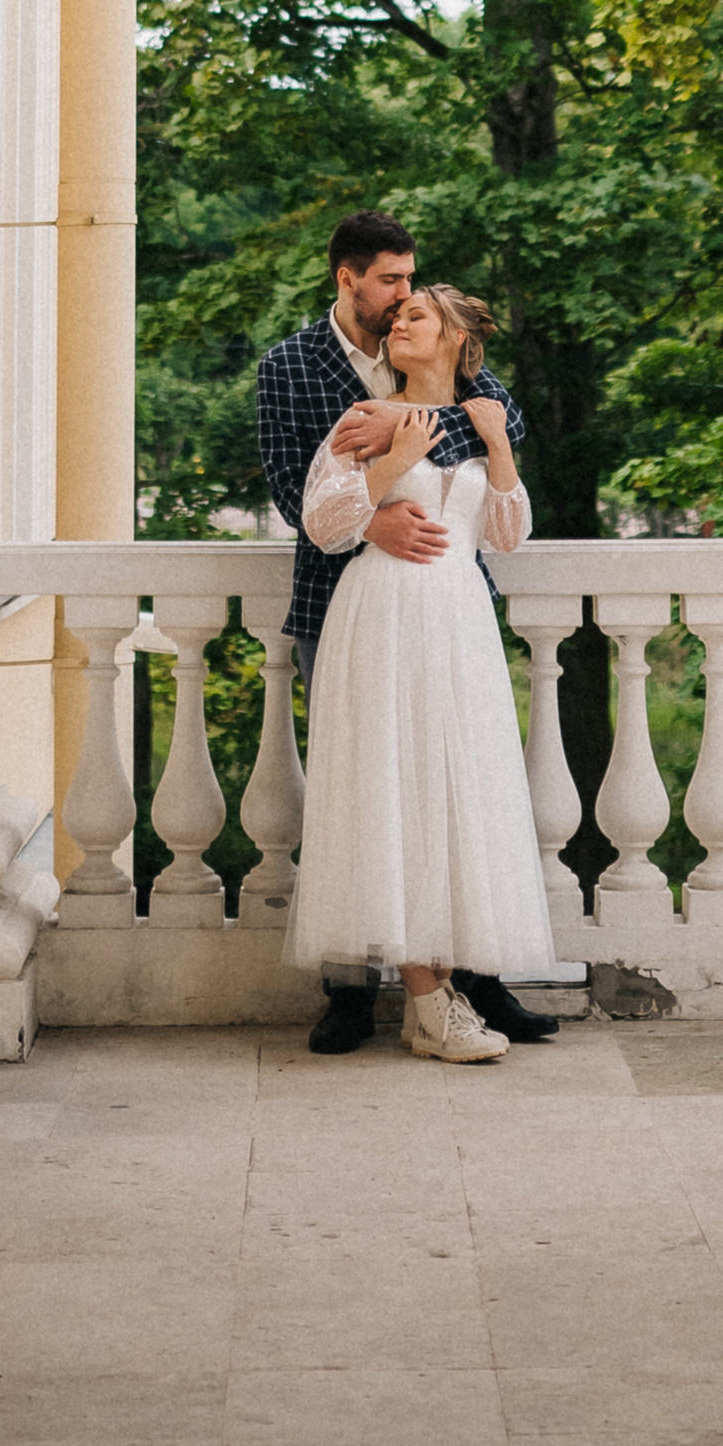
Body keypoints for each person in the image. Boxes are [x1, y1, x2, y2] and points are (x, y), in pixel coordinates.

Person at [254, 215, 559, 1054]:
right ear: (348, 276)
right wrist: (377, 509)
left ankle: (474, 979)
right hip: (356, 605)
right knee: (371, 789)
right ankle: (359, 994)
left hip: (455, 614)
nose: (399, 301)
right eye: (390, 283)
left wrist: (462, 427)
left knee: (458, 787)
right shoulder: (296, 368)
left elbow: (506, 465)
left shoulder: (458, 388)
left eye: (411, 289)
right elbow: (300, 495)